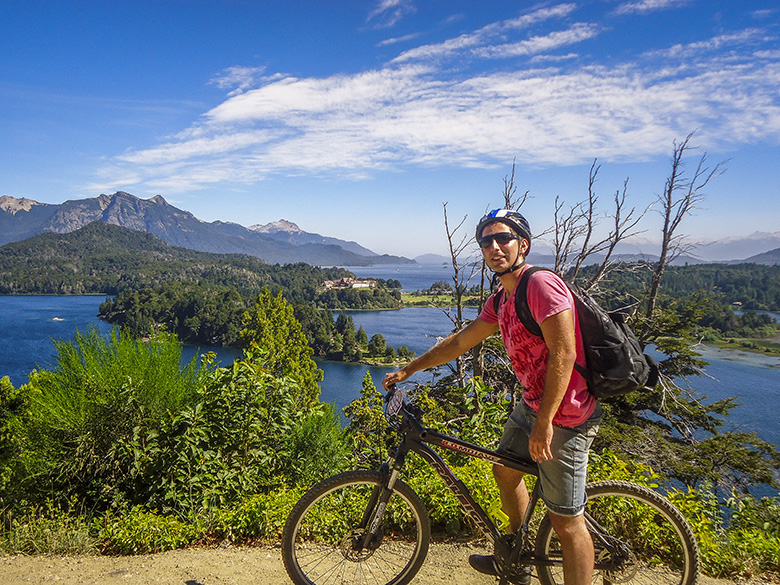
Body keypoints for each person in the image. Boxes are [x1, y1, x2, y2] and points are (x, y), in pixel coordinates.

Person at [382, 208, 601, 585]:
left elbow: (564, 353)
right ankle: (517, 558)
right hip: (532, 405)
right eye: (486, 241)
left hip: (566, 416)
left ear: (523, 245)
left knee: (567, 523)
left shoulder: (540, 286)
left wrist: (546, 422)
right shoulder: (503, 299)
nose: (495, 247)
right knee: (504, 471)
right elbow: (461, 342)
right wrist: (410, 369)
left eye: (504, 239)